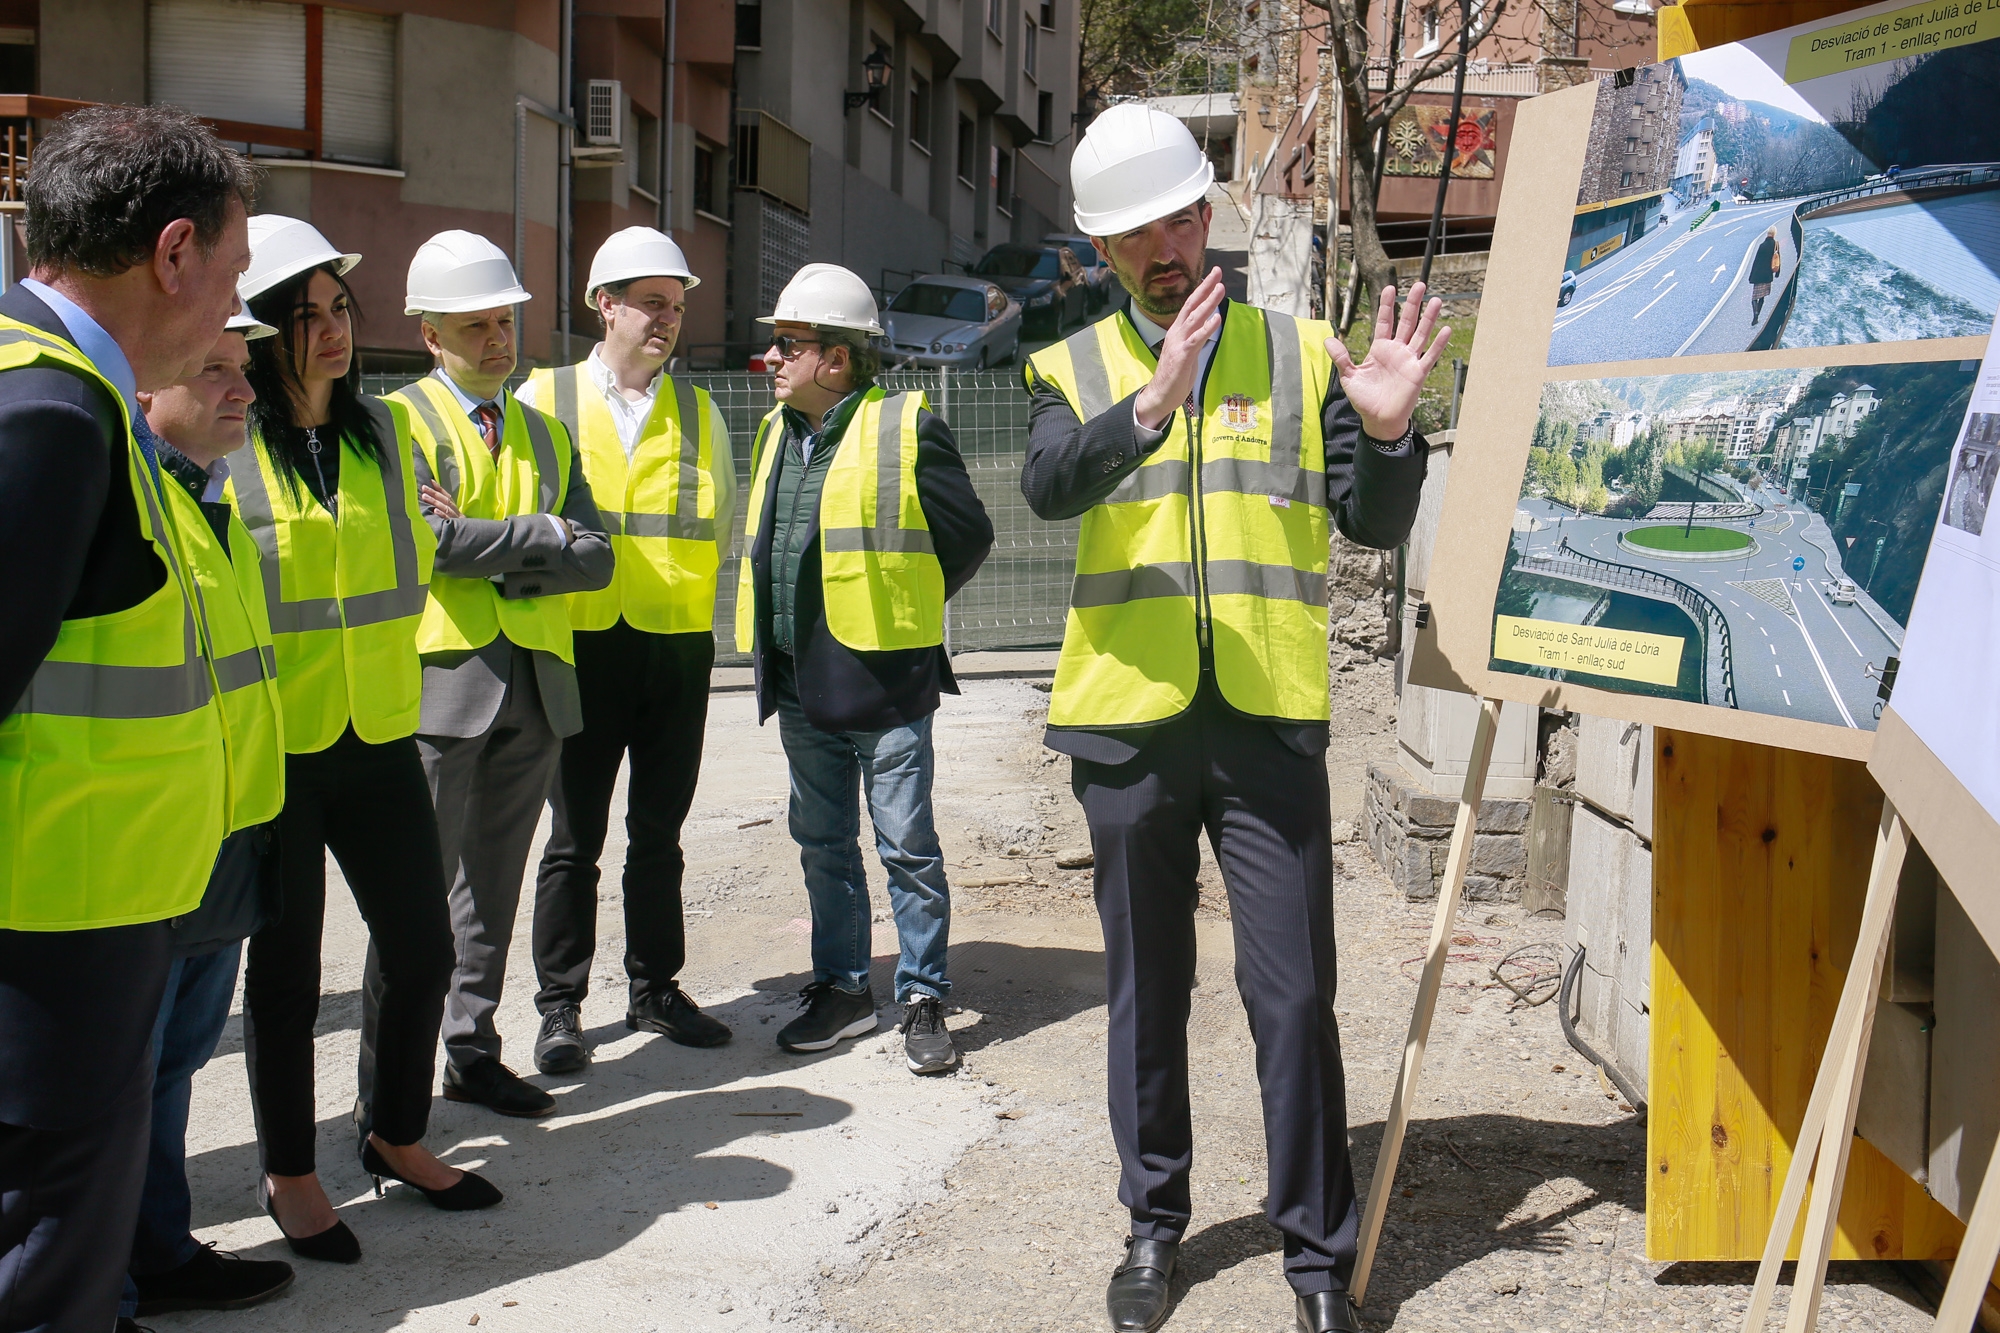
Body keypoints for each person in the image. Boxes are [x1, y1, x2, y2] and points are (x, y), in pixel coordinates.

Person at [1019, 105, 1439, 1333]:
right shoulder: (1071, 365)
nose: (1166, 245)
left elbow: (1369, 521)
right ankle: (1154, 1227)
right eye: (1137, 232)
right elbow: (1049, 487)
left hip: (1263, 724)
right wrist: (1149, 405)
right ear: (1103, 251)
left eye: (1181, 217)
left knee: (1294, 996)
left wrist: (1388, 425)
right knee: (1146, 992)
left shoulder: (1300, 351)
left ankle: (1316, 1259)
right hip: (1128, 728)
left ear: (1209, 215)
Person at [0, 104, 251, 1333]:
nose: (230, 316)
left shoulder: (58, 385)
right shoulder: (50, 414)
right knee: (49, 1259)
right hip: (51, 930)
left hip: (84, 907)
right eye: (233, 273)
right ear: (171, 254)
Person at [233, 217, 496, 1266]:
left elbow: (414, 552)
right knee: (287, 973)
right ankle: (290, 1170)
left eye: (341, 309)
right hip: (280, 744)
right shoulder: (227, 435)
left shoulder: (381, 433)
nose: (336, 331)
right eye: (308, 316)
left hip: (381, 725)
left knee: (422, 947)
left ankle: (395, 1131)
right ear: (261, 331)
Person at [737, 264, 993, 1074]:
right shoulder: (780, 431)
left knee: (905, 844)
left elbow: (968, 535)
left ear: (837, 358)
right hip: (797, 676)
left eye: (788, 344)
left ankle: (923, 996)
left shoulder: (905, 425)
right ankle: (845, 988)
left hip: (883, 680)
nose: (772, 358)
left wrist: (902, 606)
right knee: (822, 841)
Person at [390, 231, 614, 1118]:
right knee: (416, 896)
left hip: (538, 680)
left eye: (504, 320)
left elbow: (596, 559)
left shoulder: (548, 432)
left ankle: (469, 1050)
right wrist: (544, 533)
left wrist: (510, 541)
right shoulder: (396, 421)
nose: (497, 338)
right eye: (474, 325)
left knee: (493, 884)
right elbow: (427, 543)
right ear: (430, 336)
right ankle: (393, 1085)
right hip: (444, 684)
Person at [516, 227, 736, 1073]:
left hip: (675, 648)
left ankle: (655, 987)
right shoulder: (543, 399)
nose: (666, 320)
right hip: (578, 647)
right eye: (650, 303)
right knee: (574, 837)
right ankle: (559, 1006)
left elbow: (716, 523)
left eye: (676, 307)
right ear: (602, 305)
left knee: (660, 832)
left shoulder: (700, 411)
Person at [117, 310, 295, 1327]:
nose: (244, 389)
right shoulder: (126, 498)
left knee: (173, 1066)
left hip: (218, 839)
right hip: (144, 847)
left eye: (243, 370)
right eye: (216, 370)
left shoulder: (204, 497)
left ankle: (156, 1249)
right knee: (118, 1079)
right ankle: (104, 1279)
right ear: (148, 389)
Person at [1750, 227, 1781, 325]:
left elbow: (1756, 261)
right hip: (1767, 275)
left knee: (1754, 298)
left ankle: (1755, 313)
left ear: (1767, 234)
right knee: (1762, 297)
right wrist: (1777, 272)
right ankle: (1757, 315)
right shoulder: (1775, 245)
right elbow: (1778, 259)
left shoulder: (1761, 245)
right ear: (1774, 234)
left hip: (1758, 274)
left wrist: (1752, 276)